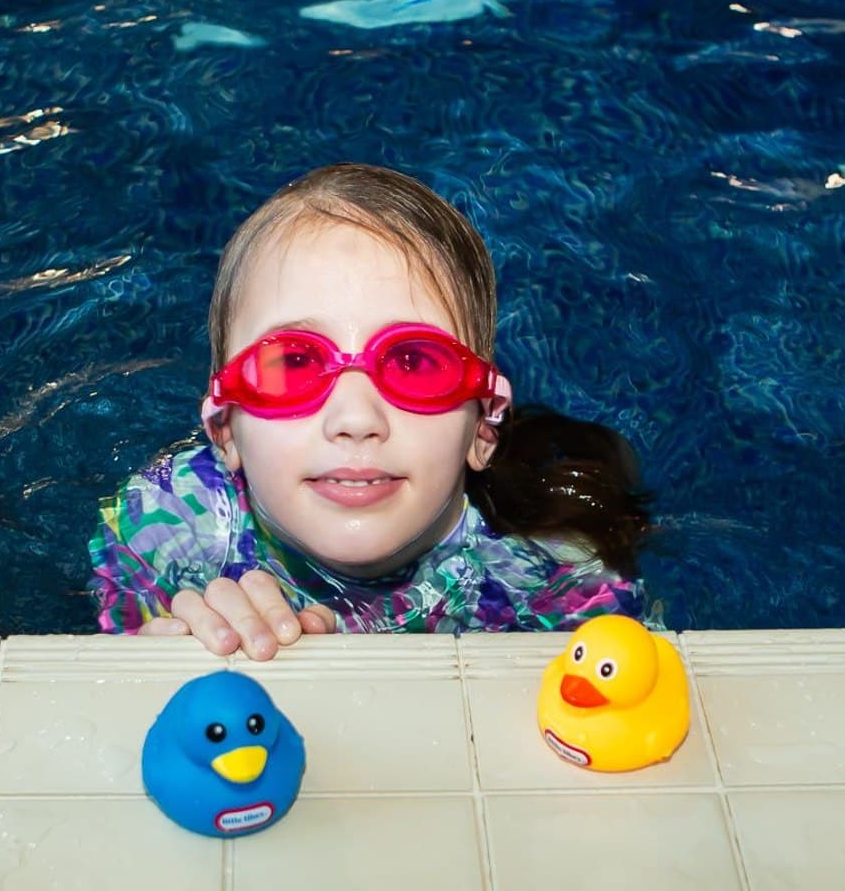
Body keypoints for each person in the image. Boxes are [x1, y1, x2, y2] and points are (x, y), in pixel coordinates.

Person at [90, 163, 653, 658]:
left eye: (415, 362)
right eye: (292, 365)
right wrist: (158, 660)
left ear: (482, 426)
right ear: (225, 429)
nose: (356, 418)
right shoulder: (166, 524)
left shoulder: (553, 571)